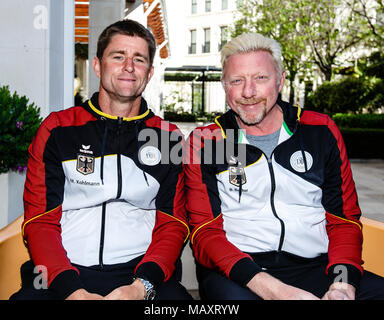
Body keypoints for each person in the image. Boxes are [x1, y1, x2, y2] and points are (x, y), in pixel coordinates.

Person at [184, 32, 384, 300]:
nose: (248, 92)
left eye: (260, 78)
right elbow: (205, 233)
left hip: (317, 266)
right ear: (224, 85)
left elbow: (343, 219)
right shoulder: (205, 142)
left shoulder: (320, 130)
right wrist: (276, 291)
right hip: (239, 271)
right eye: (237, 80)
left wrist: (342, 283)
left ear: (280, 80)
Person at [12, 19, 191, 300]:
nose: (129, 66)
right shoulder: (57, 129)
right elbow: (40, 221)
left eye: (139, 59)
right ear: (97, 65)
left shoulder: (168, 138)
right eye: (118, 56)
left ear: (150, 72)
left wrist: (140, 287)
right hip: (61, 270)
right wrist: (71, 290)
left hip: (139, 272)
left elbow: (173, 222)